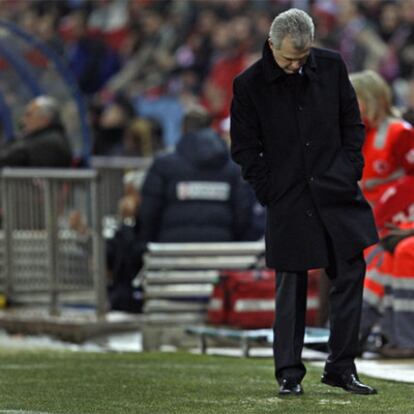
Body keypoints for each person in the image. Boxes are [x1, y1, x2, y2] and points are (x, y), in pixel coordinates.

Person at [230, 8, 379, 396]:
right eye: (287, 58)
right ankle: (289, 375)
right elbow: (245, 148)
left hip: (336, 190)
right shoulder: (248, 86)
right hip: (289, 197)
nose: (295, 65)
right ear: (271, 45)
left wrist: (349, 169)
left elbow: (352, 122)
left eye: (302, 57)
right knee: (291, 286)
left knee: (350, 274)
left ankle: (341, 368)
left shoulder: (330, 66)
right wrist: (269, 189)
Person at [140, 104, 252, 244]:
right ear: (211, 127)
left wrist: (151, 241)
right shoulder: (233, 169)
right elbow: (243, 213)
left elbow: (149, 212)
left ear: (183, 128)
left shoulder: (163, 165)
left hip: (171, 252)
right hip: (221, 250)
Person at [349, 70, 414, 207]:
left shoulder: (399, 131)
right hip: (364, 213)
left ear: (370, 100)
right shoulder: (358, 131)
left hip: (391, 216)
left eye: (353, 99)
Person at [0, 95, 72, 167]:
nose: (23, 120)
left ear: (44, 119)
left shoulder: (50, 142)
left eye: (28, 115)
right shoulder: (36, 137)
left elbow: (15, 155)